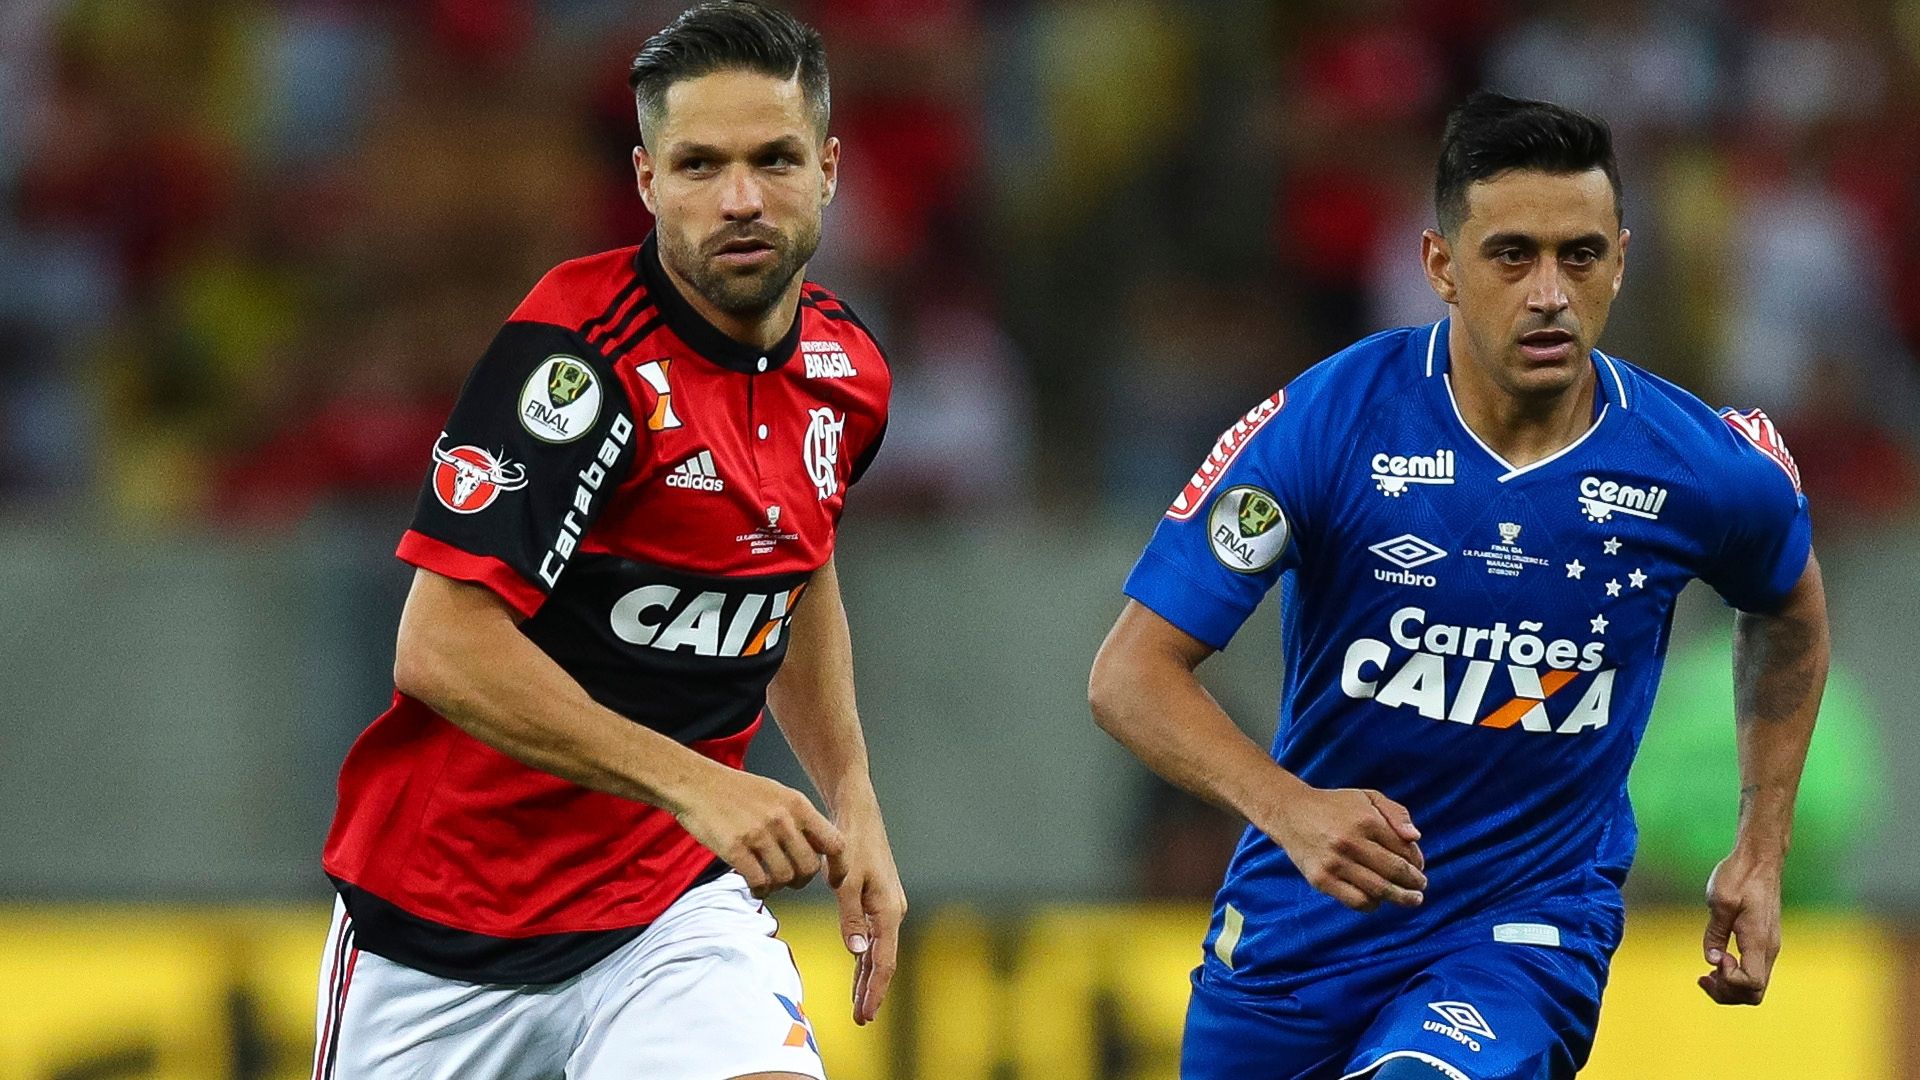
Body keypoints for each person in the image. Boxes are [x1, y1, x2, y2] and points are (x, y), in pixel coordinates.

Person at [1088, 92, 1827, 1080]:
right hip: (1302, 930)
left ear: (1621, 258)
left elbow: (1789, 614)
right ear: (1441, 265)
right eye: (1512, 255)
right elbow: (1131, 674)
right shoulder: (1329, 423)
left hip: (1522, 934)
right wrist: (1288, 807)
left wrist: (1760, 847)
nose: (1550, 292)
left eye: (1581, 255)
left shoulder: (1698, 467)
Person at [314, 4, 905, 1077]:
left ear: (827, 169)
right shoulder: (576, 362)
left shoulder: (849, 372)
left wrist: (852, 800)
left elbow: (796, 567)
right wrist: (697, 783)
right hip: (444, 934)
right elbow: (439, 647)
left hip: (667, 921)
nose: (739, 199)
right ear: (645, 183)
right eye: (699, 165)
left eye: (773, 159)